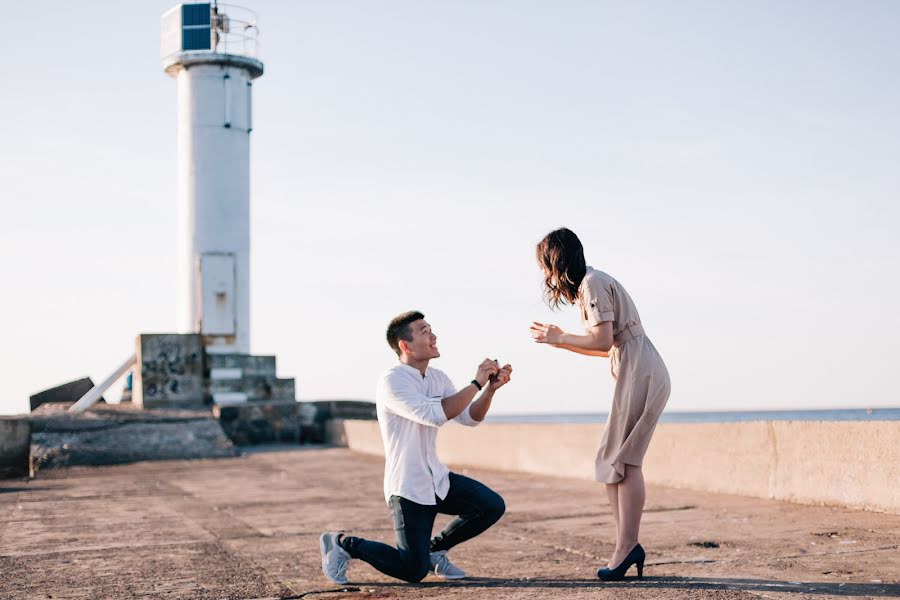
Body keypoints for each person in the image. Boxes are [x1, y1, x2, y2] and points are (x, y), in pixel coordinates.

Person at [319, 310, 512, 584]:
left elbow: (469, 417)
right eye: (424, 331)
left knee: (491, 505)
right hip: (408, 487)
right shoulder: (392, 380)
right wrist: (476, 382)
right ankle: (343, 544)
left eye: (431, 329)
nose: (433, 336)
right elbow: (433, 414)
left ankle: (436, 550)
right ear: (405, 345)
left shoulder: (438, 377)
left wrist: (489, 389)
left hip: (437, 479)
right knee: (412, 570)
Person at [529, 228, 670, 581]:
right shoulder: (588, 286)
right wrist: (559, 342)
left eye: (545, 266)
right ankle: (625, 545)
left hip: (640, 368)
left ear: (555, 262)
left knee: (625, 460)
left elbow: (603, 339)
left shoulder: (592, 283)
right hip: (635, 366)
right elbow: (604, 345)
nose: (545, 276)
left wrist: (559, 336)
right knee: (611, 461)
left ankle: (626, 547)